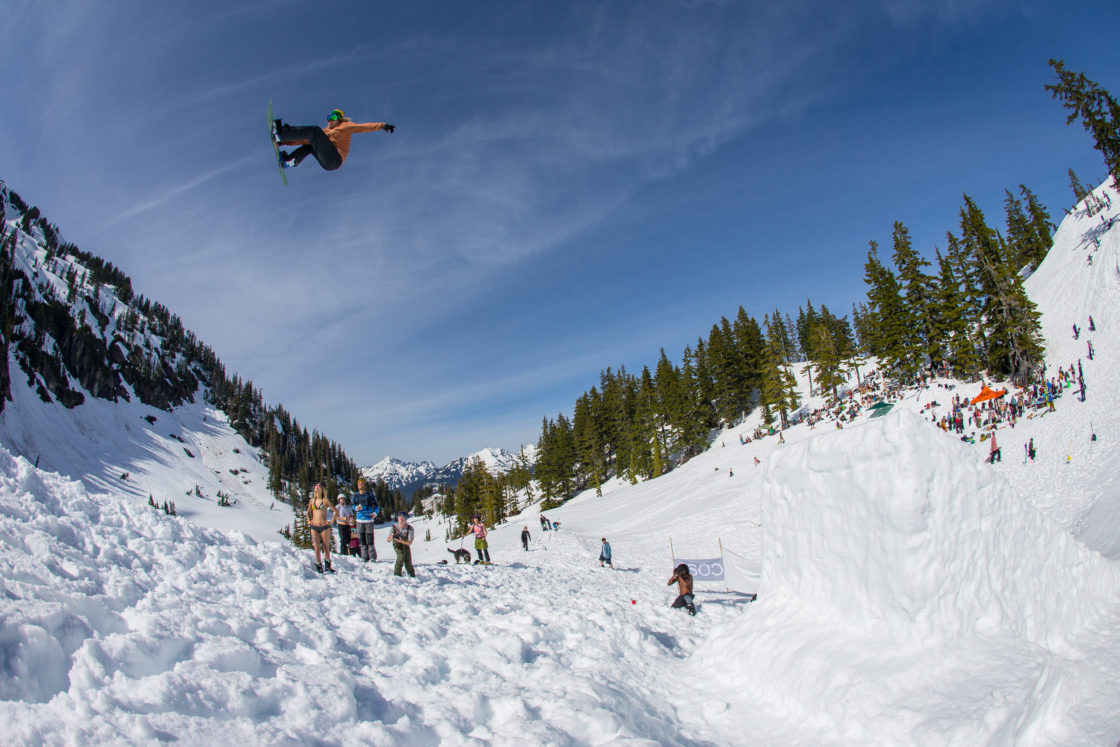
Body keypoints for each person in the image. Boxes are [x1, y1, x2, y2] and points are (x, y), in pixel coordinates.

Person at [273, 109, 394, 171]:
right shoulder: (326, 132)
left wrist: (382, 125)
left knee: (314, 131)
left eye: (334, 117)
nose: (330, 121)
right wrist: (283, 142)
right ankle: (289, 161)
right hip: (329, 164)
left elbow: (362, 127)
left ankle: (282, 133)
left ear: (339, 119)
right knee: (310, 144)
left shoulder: (345, 126)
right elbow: (304, 139)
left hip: (335, 158)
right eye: (328, 118)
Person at [306, 484, 335, 573]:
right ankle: (318, 564)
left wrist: (331, 521)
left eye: (319, 486)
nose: (317, 487)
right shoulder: (312, 501)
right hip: (314, 526)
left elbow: (335, 511)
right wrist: (309, 520)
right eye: (316, 486)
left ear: (322, 490)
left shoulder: (325, 500)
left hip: (324, 526)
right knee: (316, 547)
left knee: (326, 547)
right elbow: (308, 512)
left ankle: (327, 565)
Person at [352, 478, 380, 562]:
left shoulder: (370, 495)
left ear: (364, 485)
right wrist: (356, 508)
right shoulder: (356, 495)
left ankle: (372, 557)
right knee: (362, 539)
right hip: (359, 520)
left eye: (362, 483)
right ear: (357, 486)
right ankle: (364, 556)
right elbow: (353, 506)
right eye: (359, 483)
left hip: (369, 520)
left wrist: (375, 514)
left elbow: (377, 506)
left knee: (370, 539)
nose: (360, 484)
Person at [387, 512, 415, 578]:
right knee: (401, 556)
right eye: (399, 518)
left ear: (405, 519)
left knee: (408, 560)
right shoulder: (393, 528)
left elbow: (410, 542)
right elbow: (388, 540)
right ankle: (397, 575)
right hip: (397, 545)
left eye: (402, 518)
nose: (400, 520)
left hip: (405, 544)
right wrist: (391, 537)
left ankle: (412, 576)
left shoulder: (410, 528)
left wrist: (401, 541)